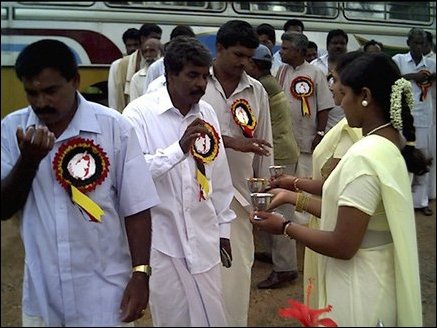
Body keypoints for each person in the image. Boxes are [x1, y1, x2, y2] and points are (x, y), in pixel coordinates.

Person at [251, 52, 429, 326]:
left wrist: (285, 227)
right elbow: (349, 214)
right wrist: (293, 197)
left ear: (365, 96)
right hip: (379, 275)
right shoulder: (392, 144)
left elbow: (344, 243)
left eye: (344, 93)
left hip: (359, 284)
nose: (340, 103)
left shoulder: (365, 156)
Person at [0, 39, 160, 326]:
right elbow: (2, 208)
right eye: (31, 93)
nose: (40, 103)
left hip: (105, 293)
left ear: (74, 80)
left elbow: (136, 207)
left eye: (50, 91)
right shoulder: (12, 129)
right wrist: (28, 161)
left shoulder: (114, 128)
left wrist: (140, 274)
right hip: (43, 292)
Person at [122, 36, 235, 326]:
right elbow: (130, 175)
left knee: (214, 318)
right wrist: (178, 150)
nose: (200, 84)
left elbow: (219, 176)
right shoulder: (139, 114)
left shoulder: (207, 113)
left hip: (204, 237)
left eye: (205, 76)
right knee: (173, 320)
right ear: (170, 74)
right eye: (192, 75)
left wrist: (224, 228)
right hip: (162, 242)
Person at [268, 51, 364, 308]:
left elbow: (339, 219)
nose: (331, 86)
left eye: (335, 80)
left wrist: (285, 227)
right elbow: (332, 190)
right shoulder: (352, 131)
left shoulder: (357, 142)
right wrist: (291, 185)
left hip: (352, 257)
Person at [202, 20, 273, 326]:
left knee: (235, 278)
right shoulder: (196, 83)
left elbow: (264, 146)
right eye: (238, 55)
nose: (245, 63)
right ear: (219, 48)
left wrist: (262, 199)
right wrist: (231, 142)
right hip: (197, 196)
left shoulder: (256, 91)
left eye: (249, 57)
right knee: (200, 276)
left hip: (239, 200)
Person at [244, 44, 300, 289]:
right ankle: (275, 255)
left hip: (280, 155)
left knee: (280, 210)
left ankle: (286, 267)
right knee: (268, 204)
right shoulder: (267, 81)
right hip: (277, 150)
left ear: (255, 65)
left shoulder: (262, 87)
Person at [276, 31, 334, 226]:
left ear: (298, 50)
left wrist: (319, 133)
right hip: (285, 140)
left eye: (285, 48)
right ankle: (288, 222)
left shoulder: (316, 73)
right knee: (286, 181)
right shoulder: (281, 71)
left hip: (307, 138)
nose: (281, 52)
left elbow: (325, 106)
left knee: (303, 181)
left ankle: (306, 225)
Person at [392, 27, 436, 216]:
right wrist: (412, 76)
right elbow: (391, 80)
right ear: (408, 43)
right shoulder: (398, 60)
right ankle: (403, 201)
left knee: (424, 157)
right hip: (403, 118)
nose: (419, 46)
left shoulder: (432, 64)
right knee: (404, 157)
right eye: (415, 43)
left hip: (424, 117)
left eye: (422, 43)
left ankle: (422, 201)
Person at [108, 23, 162, 112]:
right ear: (142, 39)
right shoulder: (119, 65)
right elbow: (113, 100)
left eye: (158, 38)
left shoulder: (163, 65)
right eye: (154, 38)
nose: (157, 41)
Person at [311, 29, 349, 131]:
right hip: (319, 122)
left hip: (345, 120)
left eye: (342, 43)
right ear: (327, 46)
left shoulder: (353, 66)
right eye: (335, 43)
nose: (338, 46)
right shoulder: (315, 65)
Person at [141, 24, 195, 95]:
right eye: (180, 46)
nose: (183, 50)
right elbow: (147, 95)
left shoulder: (196, 66)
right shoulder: (156, 67)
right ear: (172, 44)